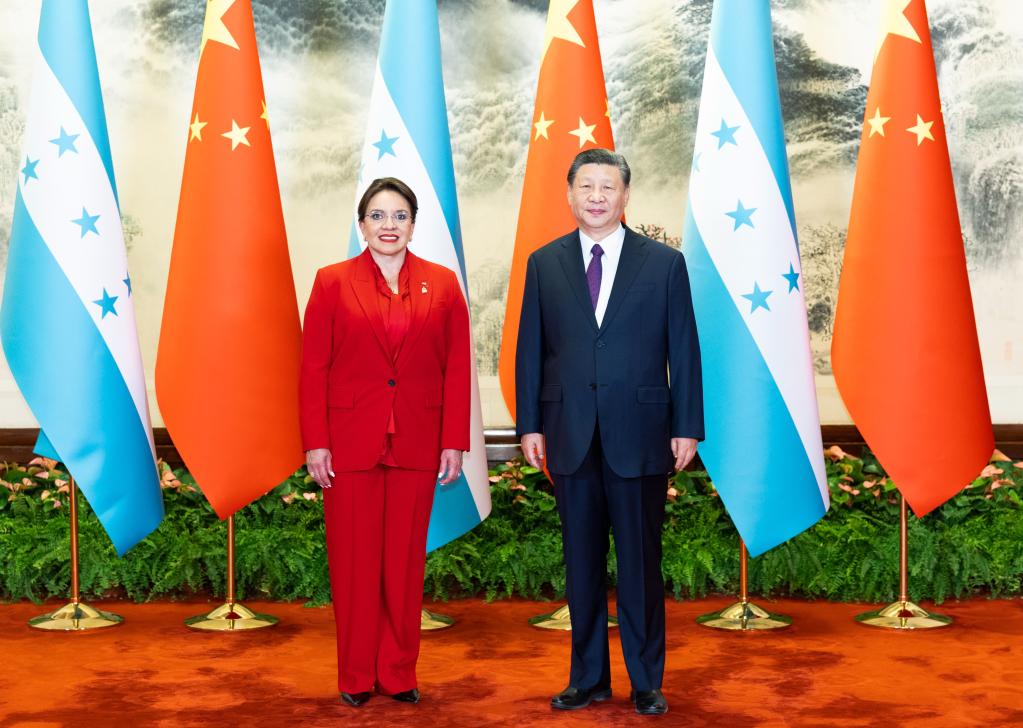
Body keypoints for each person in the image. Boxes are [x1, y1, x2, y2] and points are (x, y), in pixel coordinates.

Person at [515, 148, 704, 716]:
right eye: (586, 186)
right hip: (569, 433)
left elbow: (684, 350)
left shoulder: (664, 264)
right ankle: (589, 677)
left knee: (641, 564)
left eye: (608, 187)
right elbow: (530, 352)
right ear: (570, 194)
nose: (596, 196)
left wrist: (687, 426)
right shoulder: (544, 263)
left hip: (641, 433)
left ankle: (646, 681)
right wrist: (530, 425)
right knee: (582, 564)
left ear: (625, 195)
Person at [300, 177, 470, 708]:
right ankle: (355, 674)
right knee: (353, 566)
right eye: (377, 215)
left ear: (413, 225)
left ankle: (397, 673)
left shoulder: (443, 284)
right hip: (348, 445)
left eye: (399, 216)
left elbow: (456, 368)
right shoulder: (332, 282)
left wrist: (453, 441)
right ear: (362, 224)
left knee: (403, 566)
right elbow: (313, 369)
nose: (388, 225)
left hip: (418, 442)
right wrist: (316, 442)